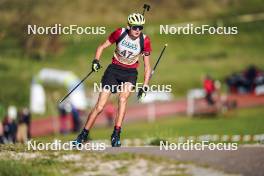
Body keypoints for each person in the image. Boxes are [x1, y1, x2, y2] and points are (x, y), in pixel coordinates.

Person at [73, 13, 152, 147]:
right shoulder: (119, 33)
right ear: (129, 26)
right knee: (100, 106)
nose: (137, 30)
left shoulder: (145, 41)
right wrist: (95, 61)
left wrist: (144, 86)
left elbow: (147, 67)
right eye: (135, 27)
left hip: (130, 73)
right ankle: (83, 135)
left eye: (140, 27)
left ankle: (116, 134)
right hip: (114, 71)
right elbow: (101, 47)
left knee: (122, 98)